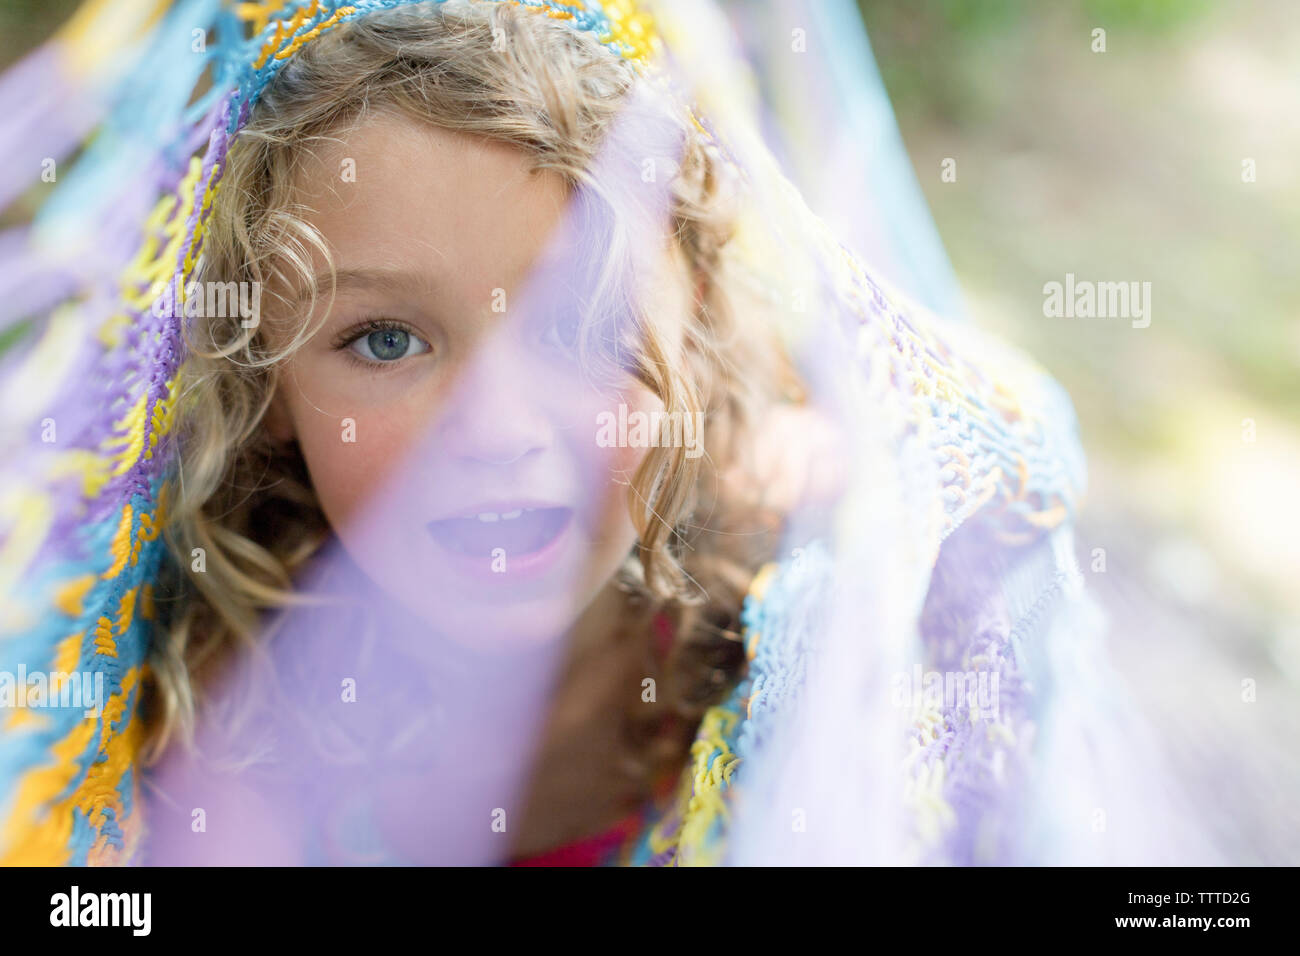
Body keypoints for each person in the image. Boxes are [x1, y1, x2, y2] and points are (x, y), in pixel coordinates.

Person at [0, 0, 1094, 866]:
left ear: (696, 329)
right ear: (269, 385)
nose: (496, 428)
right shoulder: (242, 733)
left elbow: (1018, 442)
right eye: (385, 340)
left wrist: (844, 495)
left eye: (581, 323)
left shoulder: (778, 597)